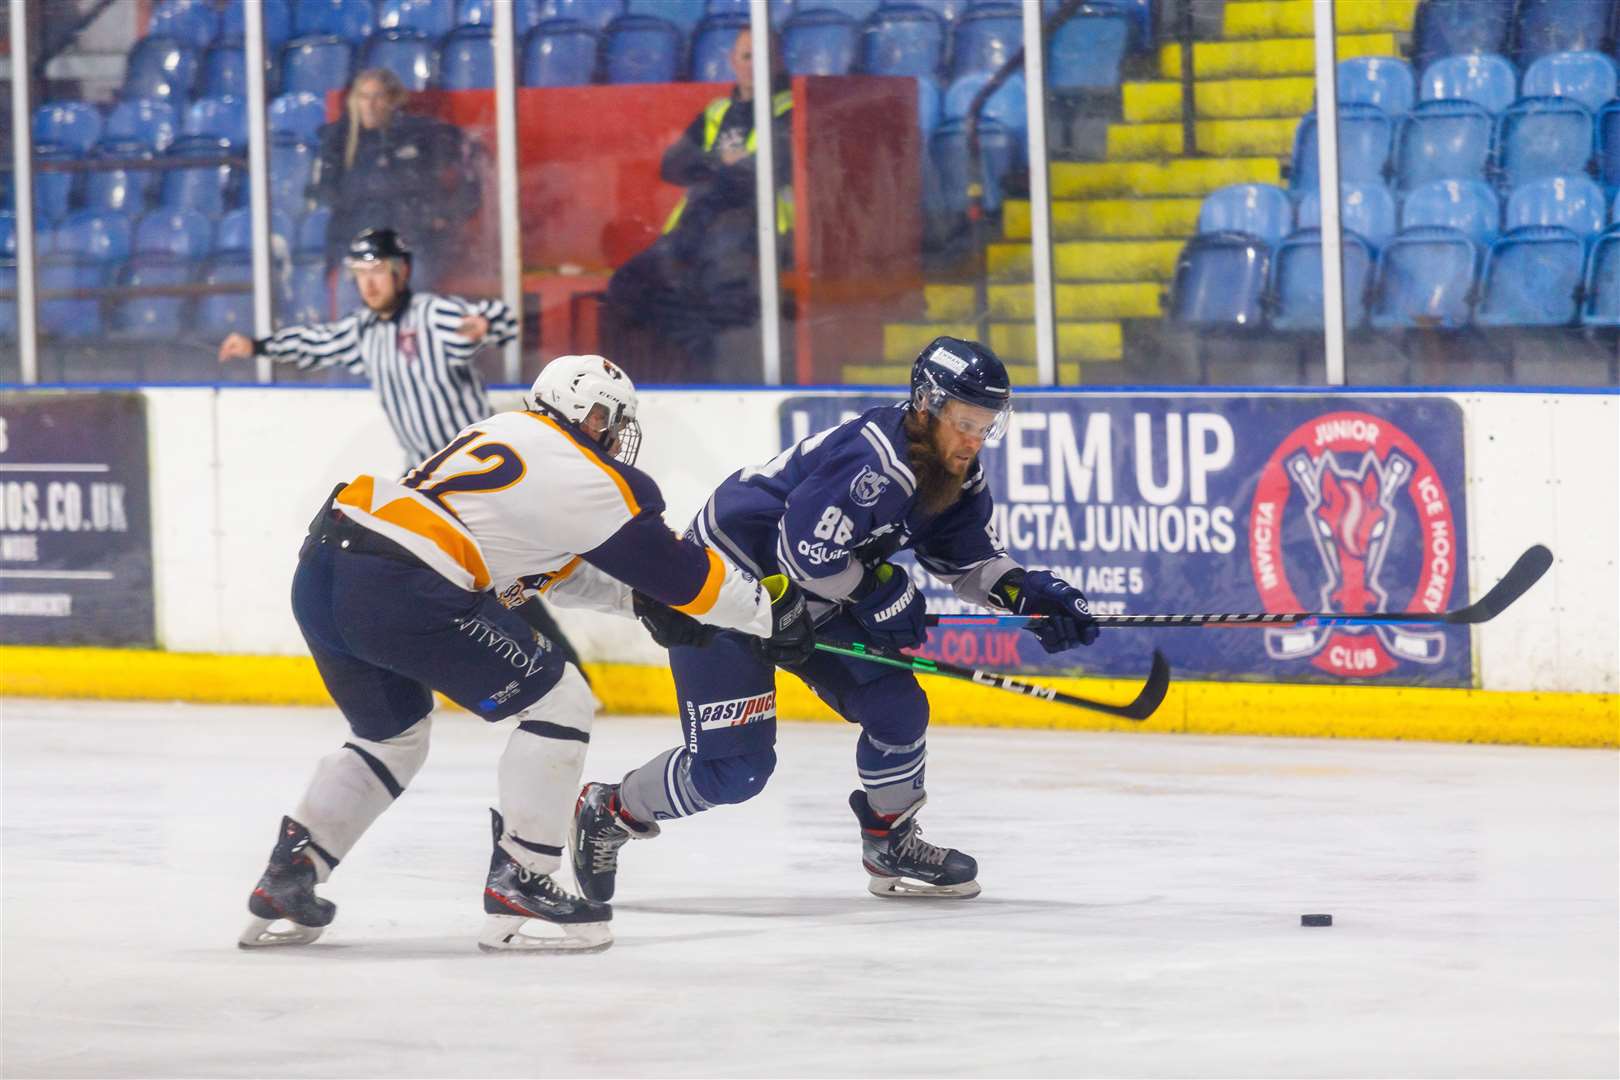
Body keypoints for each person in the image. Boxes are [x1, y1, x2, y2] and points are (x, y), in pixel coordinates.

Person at [239, 354, 815, 953]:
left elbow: (544, 569)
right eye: (612, 422)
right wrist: (773, 612)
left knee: (391, 737)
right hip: (402, 583)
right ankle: (524, 878)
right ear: (592, 415)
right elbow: (688, 576)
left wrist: (642, 604)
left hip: (327, 567)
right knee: (560, 702)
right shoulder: (587, 474)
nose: (617, 438)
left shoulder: (499, 432)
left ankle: (291, 873)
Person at [570, 337, 1101, 903]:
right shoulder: (876, 460)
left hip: (809, 598)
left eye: (985, 424)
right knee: (736, 772)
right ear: (927, 404)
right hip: (725, 591)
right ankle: (611, 809)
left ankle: (889, 839)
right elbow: (805, 554)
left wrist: (1029, 592)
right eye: (965, 421)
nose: (974, 438)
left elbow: (964, 557)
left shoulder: (953, 471)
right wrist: (877, 590)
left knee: (897, 709)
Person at [218, 227, 590, 683]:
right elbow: (317, 343)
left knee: (500, 584)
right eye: (360, 274)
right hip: (425, 486)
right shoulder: (364, 333)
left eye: (378, 272)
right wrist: (257, 346)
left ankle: (560, 674)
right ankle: (469, 672)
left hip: (472, 482)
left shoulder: (433, 315)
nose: (369, 284)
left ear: (402, 272)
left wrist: (484, 327)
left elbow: (502, 318)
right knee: (406, 576)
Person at [604, 27, 793, 383]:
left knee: (710, 294)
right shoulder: (718, 111)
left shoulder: (790, 109)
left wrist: (714, 165)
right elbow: (672, 166)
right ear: (732, 62)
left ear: (779, 60)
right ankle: (692, 354)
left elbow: (765, 170)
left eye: (763, 56)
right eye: (746, 56)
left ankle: (712, 372)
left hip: (755, 235)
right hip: (691, 233)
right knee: (627, 284)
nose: (754, 66)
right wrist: (724, 161)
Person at [307, 68, 474, 285]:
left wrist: (441, 216)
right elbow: (322, 193)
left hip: (410, 247)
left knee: (409, 310)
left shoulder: (422, 137)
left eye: (378, 97)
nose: (370, 105)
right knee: (353, 311)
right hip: (355, 249)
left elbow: (467, 176)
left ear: (394, 100)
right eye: (364, 97)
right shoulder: (337, 142)